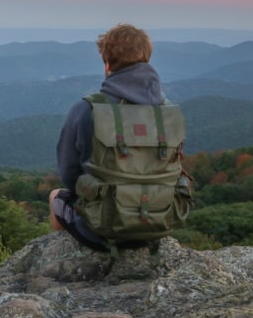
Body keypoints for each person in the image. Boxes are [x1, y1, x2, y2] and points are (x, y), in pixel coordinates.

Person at [49, 23, 168, 250]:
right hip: (156, 222)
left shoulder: (87, 109)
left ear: (107, 64)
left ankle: (65, 259)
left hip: (101, 229)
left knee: (57, 195)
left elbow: (69, 174)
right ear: (147, 60)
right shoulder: (166, 111)